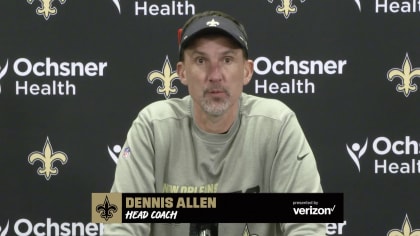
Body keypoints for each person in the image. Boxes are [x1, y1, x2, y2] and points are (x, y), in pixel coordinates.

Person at [104, 10, 325, 236]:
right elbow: (117, 223)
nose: (215, 75)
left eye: (227, 60)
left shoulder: (278, 124)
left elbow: (309, 226)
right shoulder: (152, 126)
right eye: (201, 60)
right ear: (182, 72)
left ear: (247, 71)